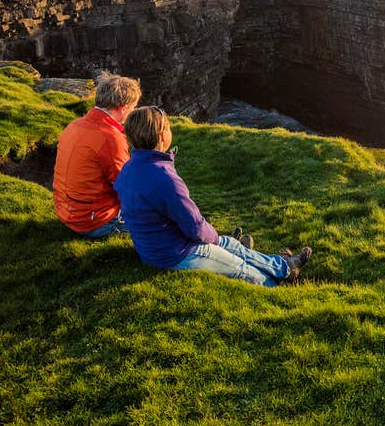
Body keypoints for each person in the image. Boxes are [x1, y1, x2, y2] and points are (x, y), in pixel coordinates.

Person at [114, 106, 312, 285]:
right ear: (162, 137)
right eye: (167, 127)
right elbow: (195, 227)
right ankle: (276, 285)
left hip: (153, 247)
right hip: (176, 253)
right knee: (241, 268)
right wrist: (213, 239)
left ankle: (284, 267)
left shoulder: (129, 169)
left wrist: (217, 240)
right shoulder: (164, 178)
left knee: (231, 244)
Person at [52, 73, 142, 237]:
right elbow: (126, 187)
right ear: (123, 108)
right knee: (160, 221)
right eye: (132, 108)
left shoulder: (74, 125)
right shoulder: (110, 138)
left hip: (66, 211)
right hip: (93, 221)